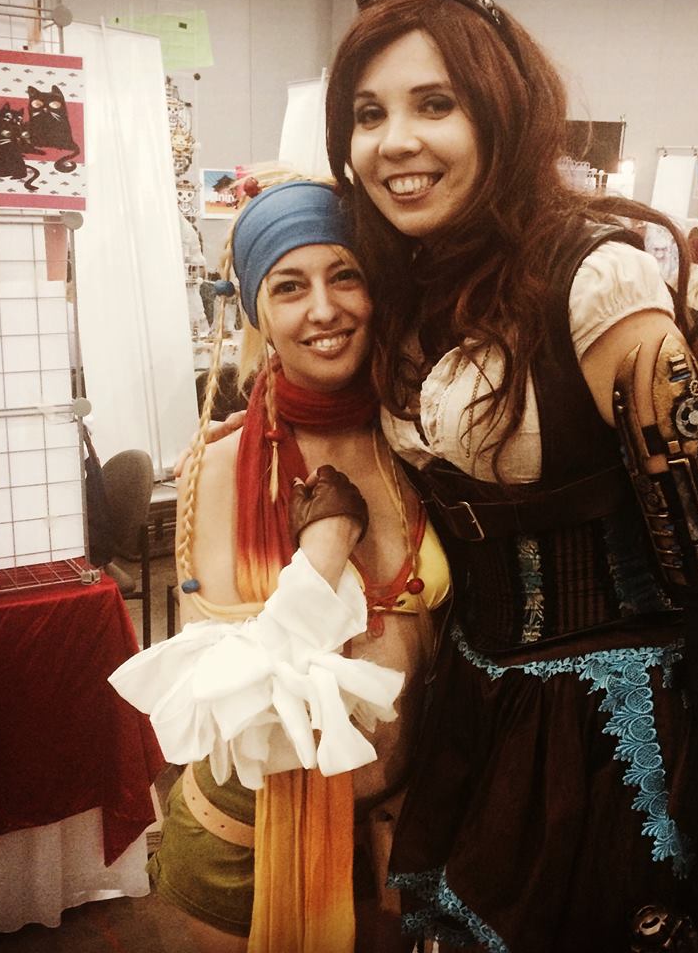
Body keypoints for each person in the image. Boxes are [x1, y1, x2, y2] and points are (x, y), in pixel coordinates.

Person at [324, 0, 698, 951]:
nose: (395, 140)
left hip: (625, 740)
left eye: (435, 103)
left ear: (501, 112)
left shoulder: (598, 283)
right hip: (476, 706)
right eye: (369, 113)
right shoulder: (406, 288)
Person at [109, 179, 450, 953]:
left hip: (408, 835)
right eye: (290, 286)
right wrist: (324, 553)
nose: (323, 309)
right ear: (258, 311)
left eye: (345, 276)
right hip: (252, 848)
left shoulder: (418, 443)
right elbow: (235, 686)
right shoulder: (223, 468)